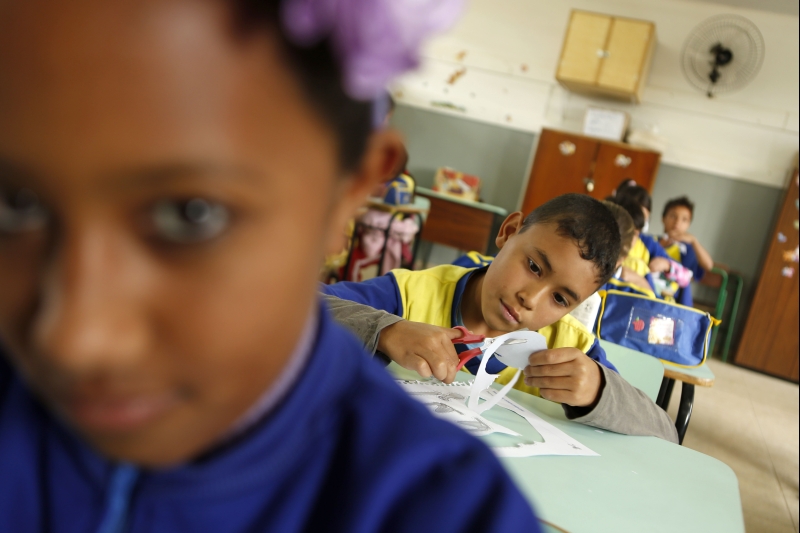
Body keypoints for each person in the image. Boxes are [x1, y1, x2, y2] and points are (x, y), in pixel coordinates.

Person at [0, 1, 541, 532]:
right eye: (13, 203)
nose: (75, 339)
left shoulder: (444, 511)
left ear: (350, 191)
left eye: (191, 215)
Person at [325, 195, 678, 443]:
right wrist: (388, 330)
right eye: (534, 267)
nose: (530, 299)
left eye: (559, 299)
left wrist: (598, 389)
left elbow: (665, 431)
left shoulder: (571, 347)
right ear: (508, 232)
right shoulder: (411, 295)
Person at [658, 196, 714, 306]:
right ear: (663, 218)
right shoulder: (654, 242)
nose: (677, 222)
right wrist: (661, 245)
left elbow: (709, 265)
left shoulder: (689, 249)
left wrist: (694, 241)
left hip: (676, 299)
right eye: (673, 216)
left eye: (684, 219)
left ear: (689, 224)